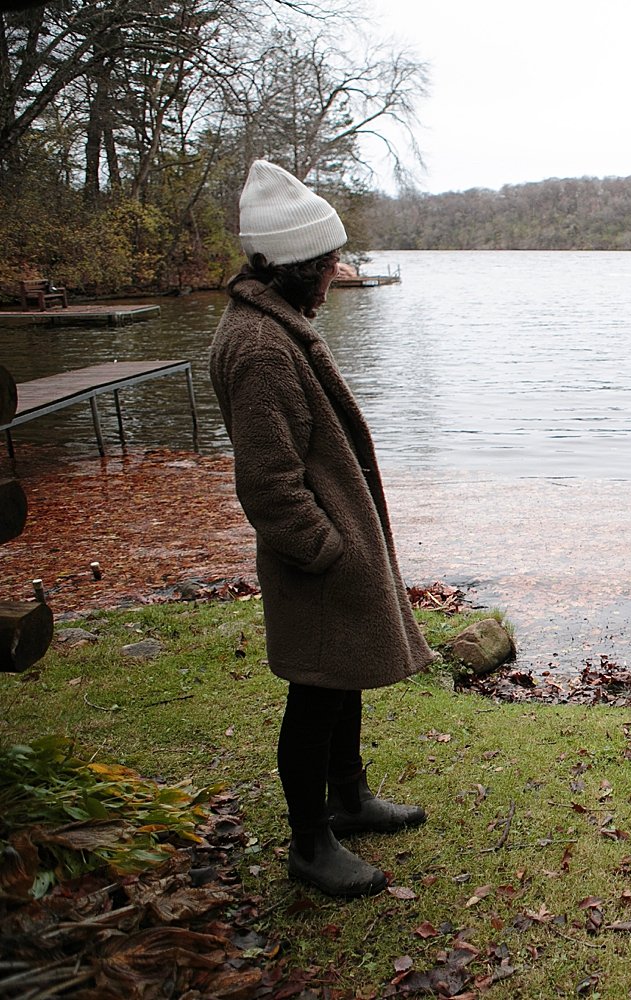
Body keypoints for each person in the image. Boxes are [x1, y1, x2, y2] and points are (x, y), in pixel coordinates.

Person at [209, 160, 437, 898]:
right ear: (299, 265)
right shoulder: (263, 349)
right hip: (315, 563)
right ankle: (311, 844)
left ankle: (350, 798)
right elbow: (270, 489)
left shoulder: (274, 325)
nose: (340, 271)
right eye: (331, 260)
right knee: (314, 696)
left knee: (341, 679)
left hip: (332, 559)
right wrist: (329, 550)